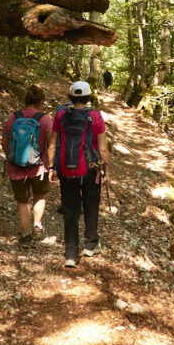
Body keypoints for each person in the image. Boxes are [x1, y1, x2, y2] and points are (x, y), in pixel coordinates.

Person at [47, 80, 110, 268]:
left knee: (70, 210)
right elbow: (103, 149)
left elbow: (53, 143)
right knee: (91, 205)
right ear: (88, 96)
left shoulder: (61, 114)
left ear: (71, 96)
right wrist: (106, 172)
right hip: (91, 169)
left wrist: (52, 167)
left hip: (66, 168)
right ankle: (90, 245)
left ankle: (71, 254)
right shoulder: (95, 116)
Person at [0, 84, 52, 245]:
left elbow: (5, 141)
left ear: (25, 100)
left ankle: (25, 235)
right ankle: (37, 224)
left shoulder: (13, 117)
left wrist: (12, 157)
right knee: (40, 195)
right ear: (41, 102)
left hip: (16, 168)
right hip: (39, 168)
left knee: (23, 201)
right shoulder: (45, 119)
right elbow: (51, 144)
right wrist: (52, 164)